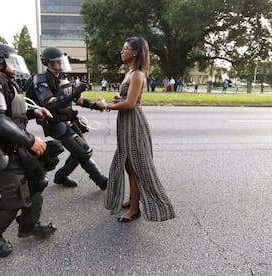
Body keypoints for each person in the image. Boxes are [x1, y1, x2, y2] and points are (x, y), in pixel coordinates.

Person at [0, 43, 58, 258]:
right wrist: (31, 141)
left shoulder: (1, 80)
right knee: (14, 195)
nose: (15, 66)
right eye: (11, 62)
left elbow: (10, 112)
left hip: (8, 144)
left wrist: (35, 112)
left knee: (37, 180)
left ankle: (28, 225)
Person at [96, 36, 175, 222]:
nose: (122, 51)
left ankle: (134, 209)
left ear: (135, 52)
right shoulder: (130, 73)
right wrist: (118, 100)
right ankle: (133, 199)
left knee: (135, 167)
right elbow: (131, 100)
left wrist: (106, 105)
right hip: (126, 123)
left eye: (126, 48)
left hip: (133, 123)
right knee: (127, 163)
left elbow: (131, 104)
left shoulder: (138, 74)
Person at [32, 47, 108, 190]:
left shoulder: (63, 78)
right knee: (83, 152)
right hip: (57, 124)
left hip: (70, 121)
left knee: (79, 152)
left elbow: (79, 99)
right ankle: (102, 181)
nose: (60, 65)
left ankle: (61, 176)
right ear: (47, 63)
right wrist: (72, 95)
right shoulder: (41, 79)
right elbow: (49, 105)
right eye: (56, 62)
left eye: (61, 62)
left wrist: (96, 106)